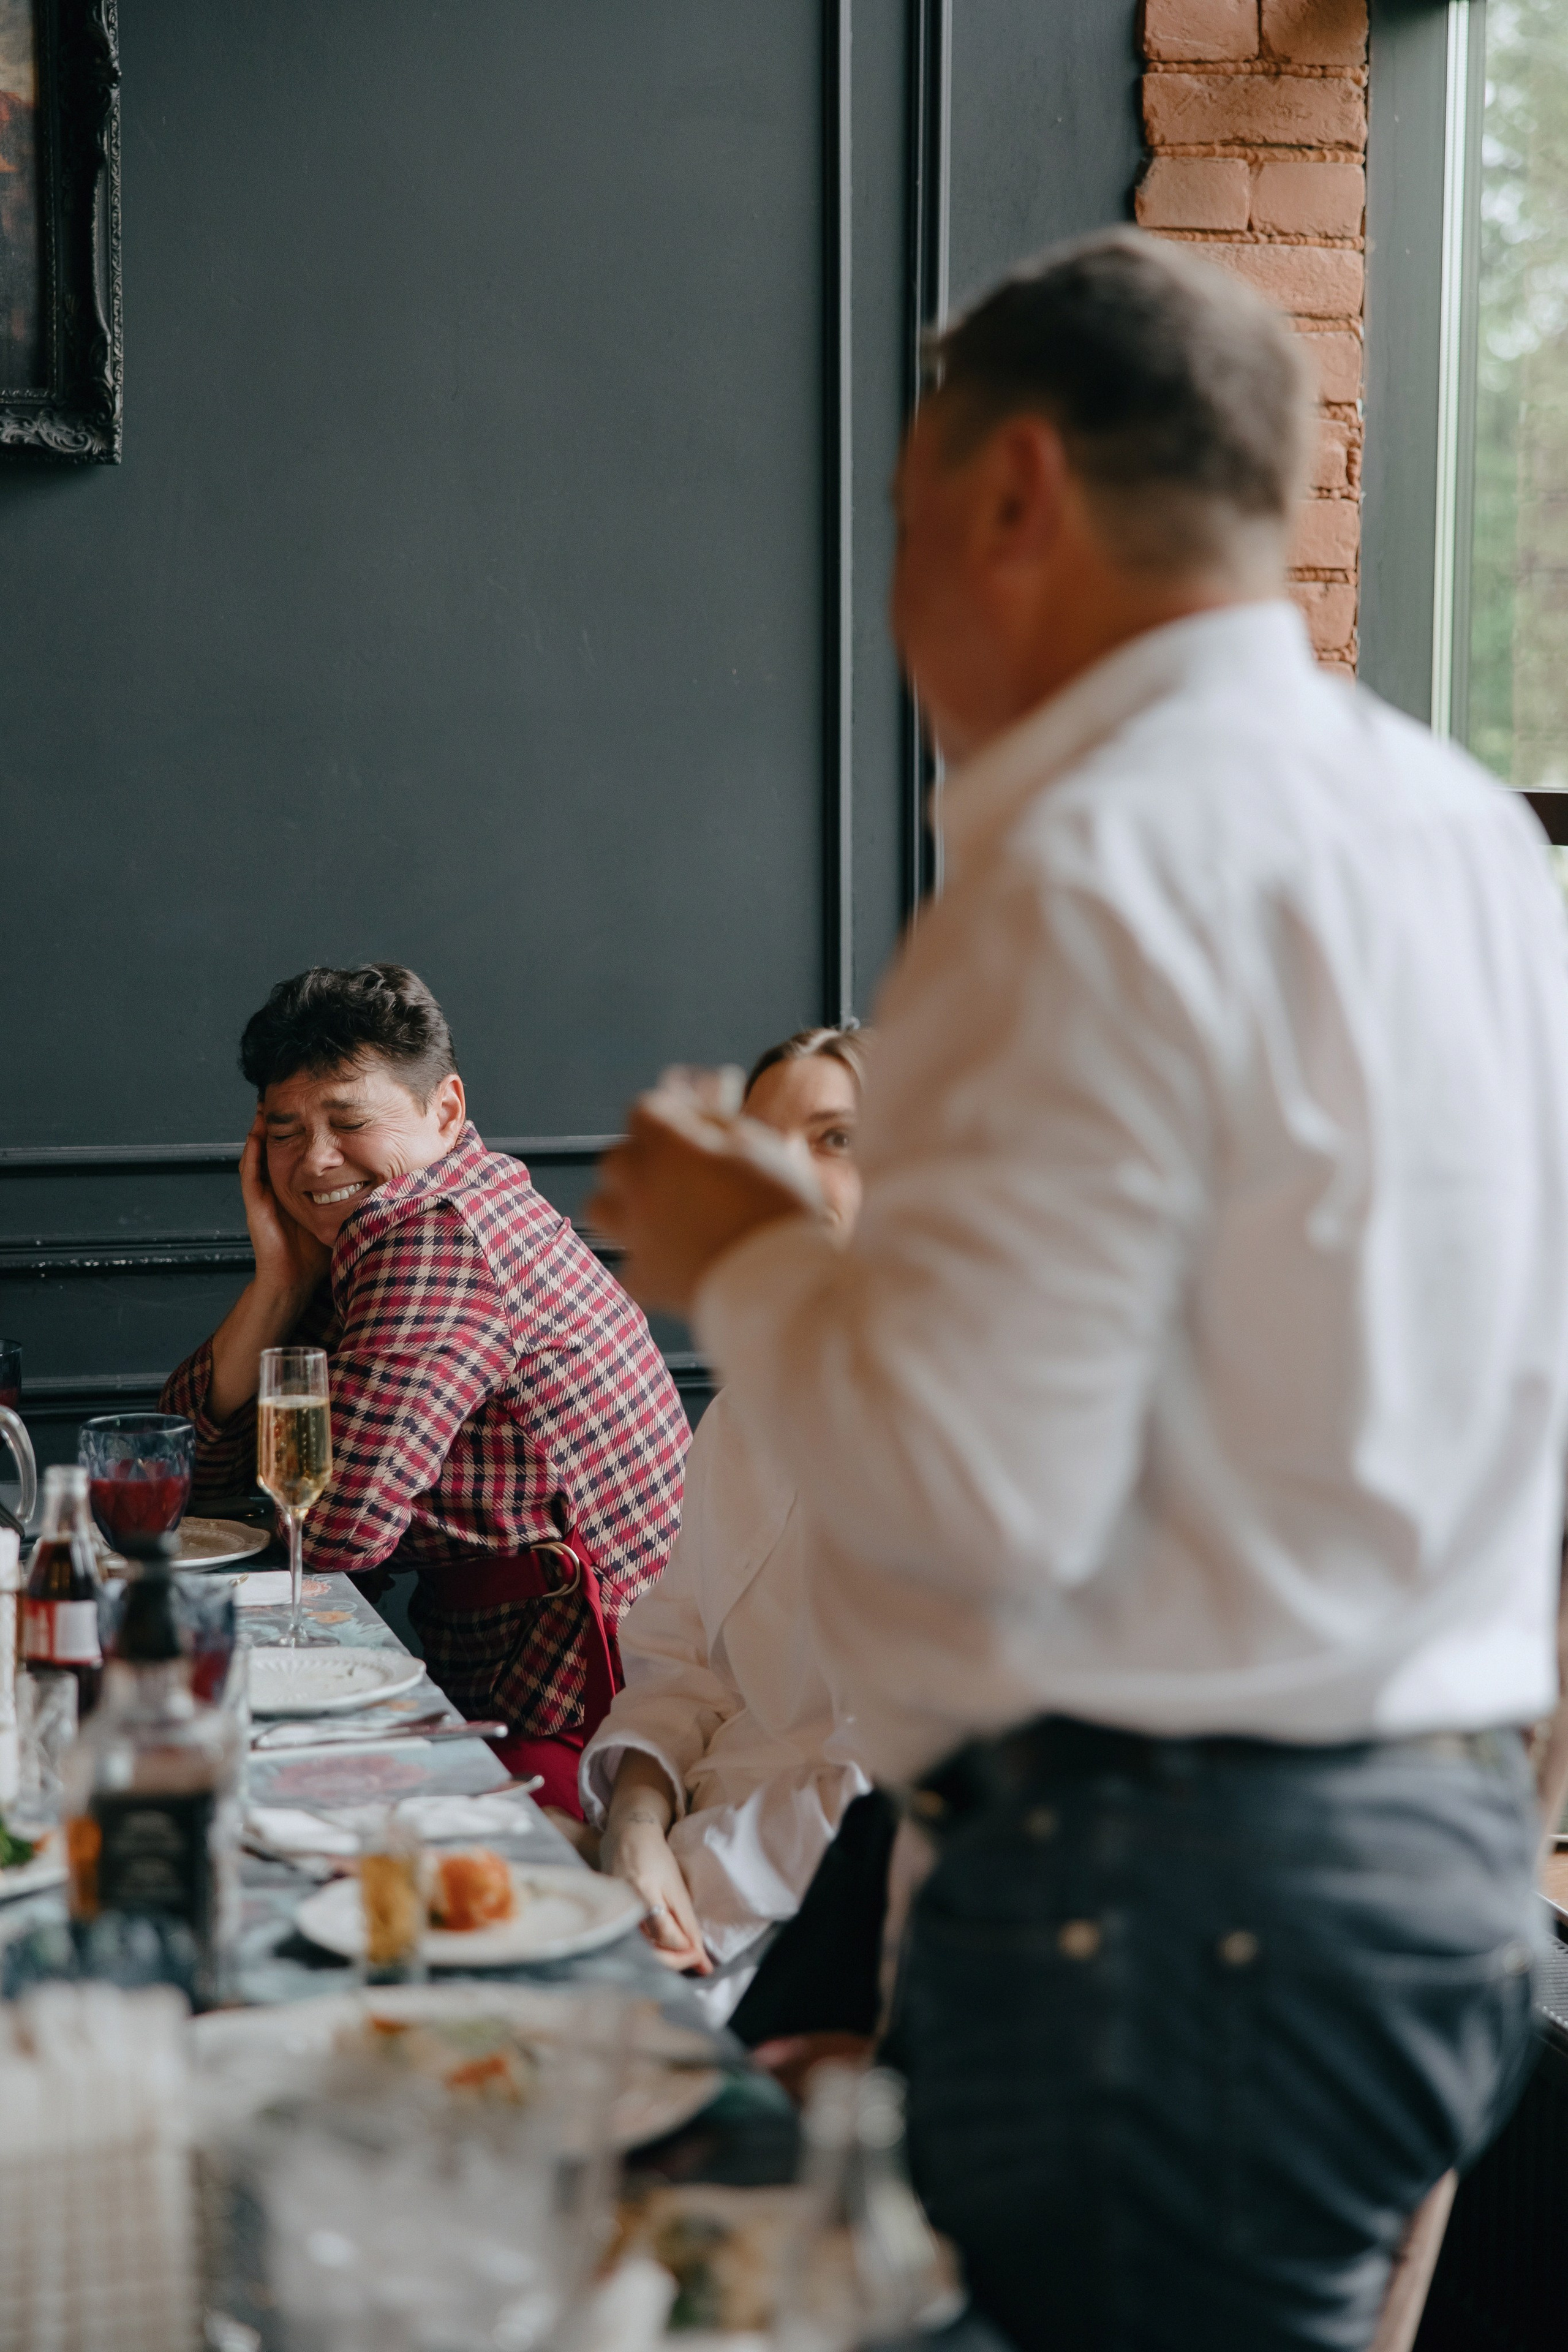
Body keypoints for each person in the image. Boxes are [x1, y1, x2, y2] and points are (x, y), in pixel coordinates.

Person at [587, 227, 1568, 2350]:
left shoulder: (1090, 860)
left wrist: (740, 1253)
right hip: (1426, 1877)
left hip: (1170, 1913)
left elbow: (965, 1500)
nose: (897, 584)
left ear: (1013, 494)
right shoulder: (1470, 840)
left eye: (902, 516)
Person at [162, 963, 688, 1809]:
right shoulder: (405, 1215)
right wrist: (276, 1284)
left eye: (349, 1119)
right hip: (522, 1678)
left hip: (595, 1709)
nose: (315, 1160)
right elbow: (188, 1473)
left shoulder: (435, 1234)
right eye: (285, 1131)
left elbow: (337, 1535)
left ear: (445, 1110)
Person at [580, 1027, 896, 2043]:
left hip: (831, 1915)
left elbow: (880, 1780)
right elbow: (680, 1653)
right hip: (680, 1848)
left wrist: (680, 1882)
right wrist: (634, 1821)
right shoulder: (749, 1404)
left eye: (836, 1137)